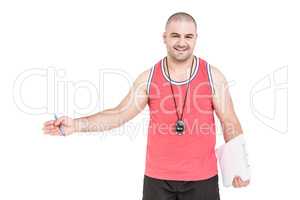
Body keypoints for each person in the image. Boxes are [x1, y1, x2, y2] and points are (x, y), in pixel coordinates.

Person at [43, 12, 250, 200]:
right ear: (165, 38)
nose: (181, 42)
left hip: (202, 179)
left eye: (188, 36)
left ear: (196, 38)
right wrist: (76, 125)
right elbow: (119, 114)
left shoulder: (213, 76)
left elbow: (229, 121)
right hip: (158, 180)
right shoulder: (149, 78)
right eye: (175, 35)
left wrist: (238, 167)